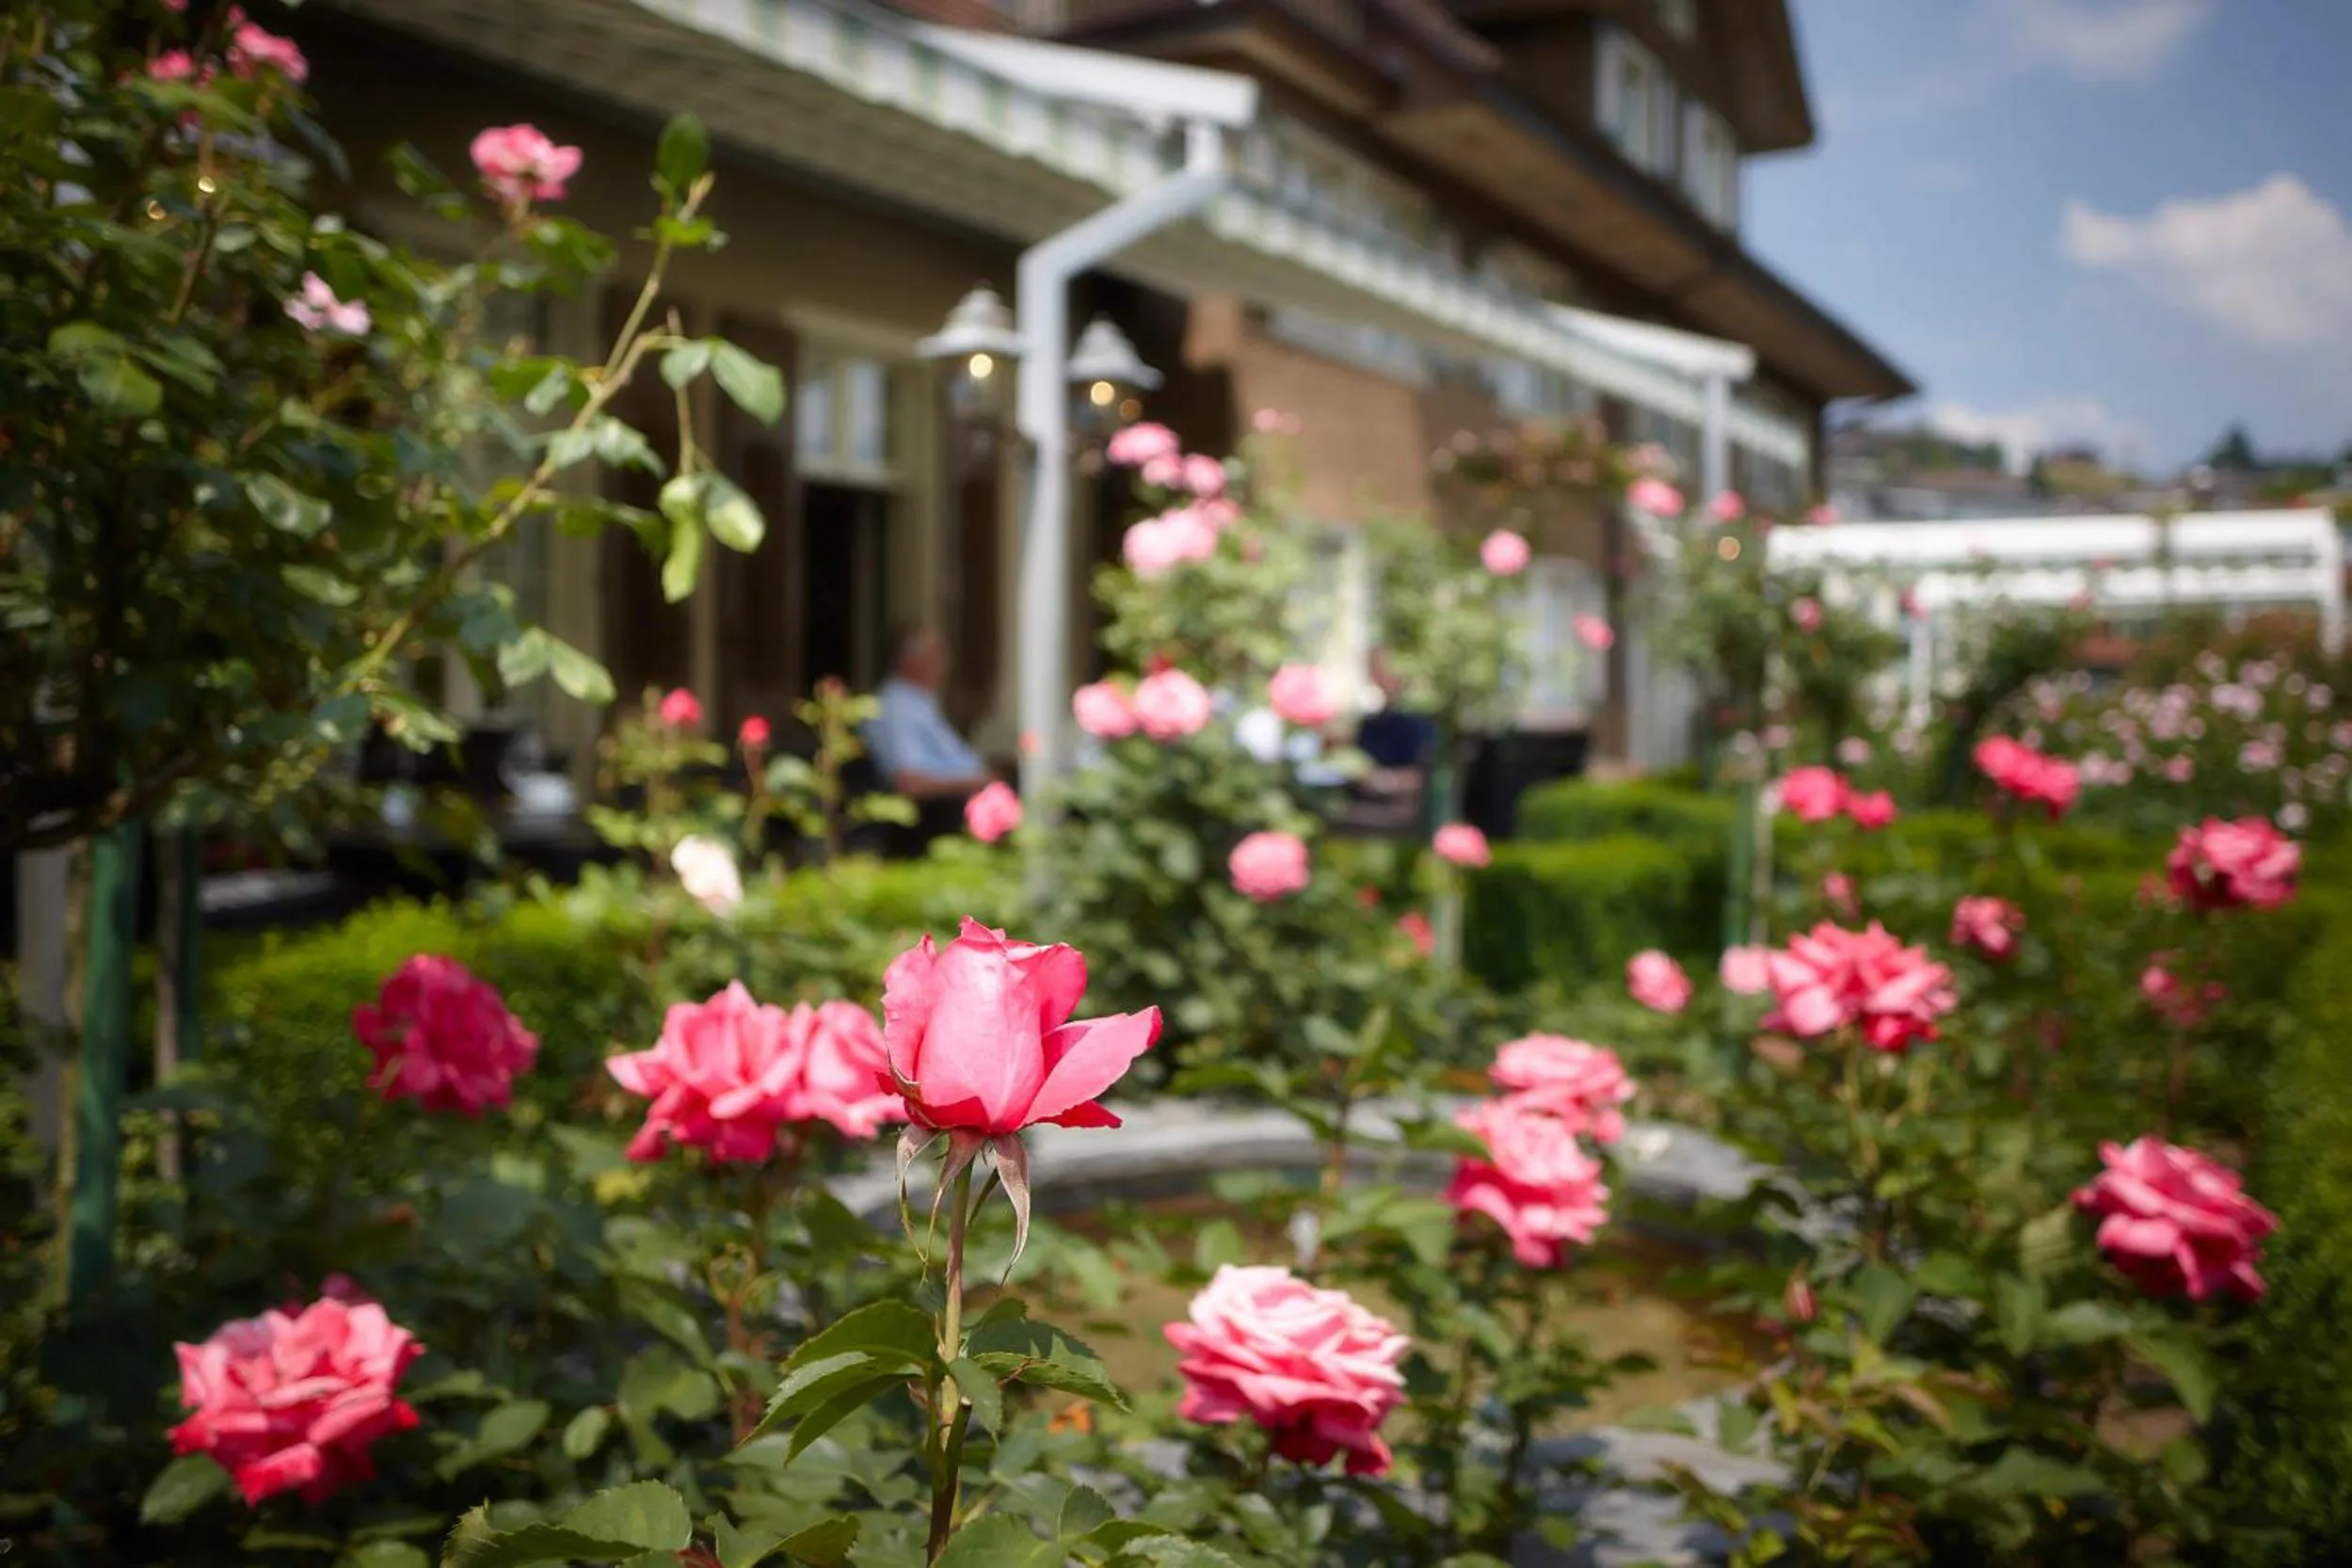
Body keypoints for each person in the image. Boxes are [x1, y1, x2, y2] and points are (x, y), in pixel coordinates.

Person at [865, 627, 993, 802]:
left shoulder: (920, 702)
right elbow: (909, 782)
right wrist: (979, 784)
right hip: (942, 811)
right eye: (935, 659)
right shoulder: (896, 707)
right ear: (910, 662)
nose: (944, 668)